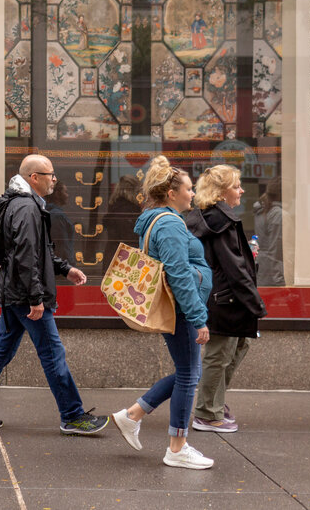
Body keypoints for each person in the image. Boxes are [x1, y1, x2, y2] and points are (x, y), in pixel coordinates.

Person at [0, 154, 109, 435]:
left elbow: (39, 252)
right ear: (33, 178)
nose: (54, 179)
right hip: (24, 295)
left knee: (3, 347)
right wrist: (36, 298)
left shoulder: (24, 204)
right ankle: (73, 416)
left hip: (14, 290)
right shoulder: (26, 208)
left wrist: (65, 269)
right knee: (52, 354)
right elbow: (27, 256)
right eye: (49, 174)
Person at [110, 156, 214, 470]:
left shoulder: (160, 219)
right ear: (171, 193)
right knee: (188, 376)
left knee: (188, 373)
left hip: (181, 308)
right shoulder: (169, 223)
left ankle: (132, 415)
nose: (192, 194)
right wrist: (198, 318)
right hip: (182, 310)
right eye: (188, 189)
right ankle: (177, 446)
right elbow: (178, 275)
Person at [186, 165, 266, 433]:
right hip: (226, 300)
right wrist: (256, 304)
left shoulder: (213, 217)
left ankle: (214, 403)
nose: (241, 190)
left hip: (224, 298)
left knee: (235, 348)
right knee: (219, 355)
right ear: (221, 192)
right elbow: (234, 269)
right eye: (236, 185)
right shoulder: (220, 221)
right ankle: (207, 413)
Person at [102, 175, 142, 264]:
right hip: (126, 261)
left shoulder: (113, 208)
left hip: (111, 257)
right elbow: (131, 240)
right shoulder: (131, 211)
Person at [253, 177, 284, 286]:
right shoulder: (277, 214)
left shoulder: (263, 209)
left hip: (262, 268)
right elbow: (276, 251)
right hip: (273, 273)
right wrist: (280, 280)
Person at [43, 180, 75, 269]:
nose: (67, 195)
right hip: (63, 268)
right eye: (65, 192)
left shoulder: (50, 212)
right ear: (57, 194)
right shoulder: (56, 215)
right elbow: (61, 246)